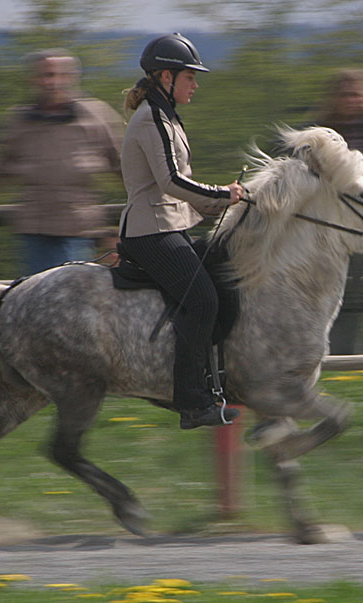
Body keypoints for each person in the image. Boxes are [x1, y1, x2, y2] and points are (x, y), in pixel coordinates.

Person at [118, 33, 242, 429]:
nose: (196, 83)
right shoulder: (152, 118)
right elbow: (172, 181)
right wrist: (224, 194)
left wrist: (224, 203)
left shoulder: (166, 114)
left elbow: (179, 186)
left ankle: (213, 380)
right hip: (149, 231)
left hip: (169, 223)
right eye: (190, 76)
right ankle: (192, 403)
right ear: (165, 77)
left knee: (225, 283)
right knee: (203, 300)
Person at [0, 49, 123, 275]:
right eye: (45, 75)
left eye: (59, 75)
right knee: (37, 296)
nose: (52, 82)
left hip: (78, 226)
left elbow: (121, 162)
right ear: (33, 79)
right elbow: (0, 163)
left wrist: (142, 197)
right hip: (35, 227)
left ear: (71, 77)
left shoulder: (95, 115)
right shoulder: (20, 120)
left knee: (71, 294)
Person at [316, 68, 363, 355]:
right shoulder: (321, 136)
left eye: (357, 94)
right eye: (345, 94)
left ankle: (347, 358)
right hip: (323, 233)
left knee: (351, 300)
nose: (351, 100)